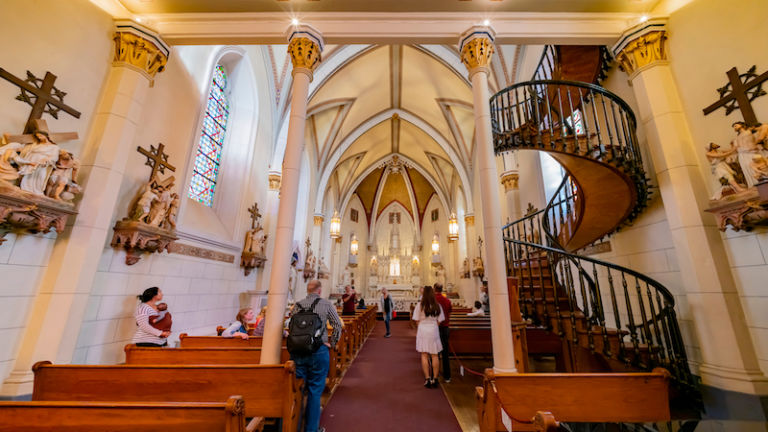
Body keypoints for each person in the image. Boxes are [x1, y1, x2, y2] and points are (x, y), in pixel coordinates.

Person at [290, 280, 343, 432]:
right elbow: (337, 325)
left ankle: (294, 427)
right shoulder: (326, 304)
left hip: (298, 352)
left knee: (297, 390)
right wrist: (332, 343)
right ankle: (311, 429)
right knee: (314, 391)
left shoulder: (297, 305)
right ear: (319, 291)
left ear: (308, 290)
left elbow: (290, 324)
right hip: (318, 351)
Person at [412, 285, 445, 388]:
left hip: (423, 330)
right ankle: (435, 379)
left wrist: (423, 325)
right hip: (433, 330)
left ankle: (427, 379)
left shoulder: (420, 305)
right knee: (435, 355)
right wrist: (433, 325)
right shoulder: (437, 305)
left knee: (424, 355)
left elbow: (416, 320)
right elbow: (440, 320)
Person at [434, 283, 453, 383]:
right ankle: (447, 376)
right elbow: (450, 311)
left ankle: (434, 375)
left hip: (435, 328)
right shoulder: (447, 300)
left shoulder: (433, 301)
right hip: (445, 327)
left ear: (434, 289)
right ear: (441, 289)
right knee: (445, 353)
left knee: (434, 353)